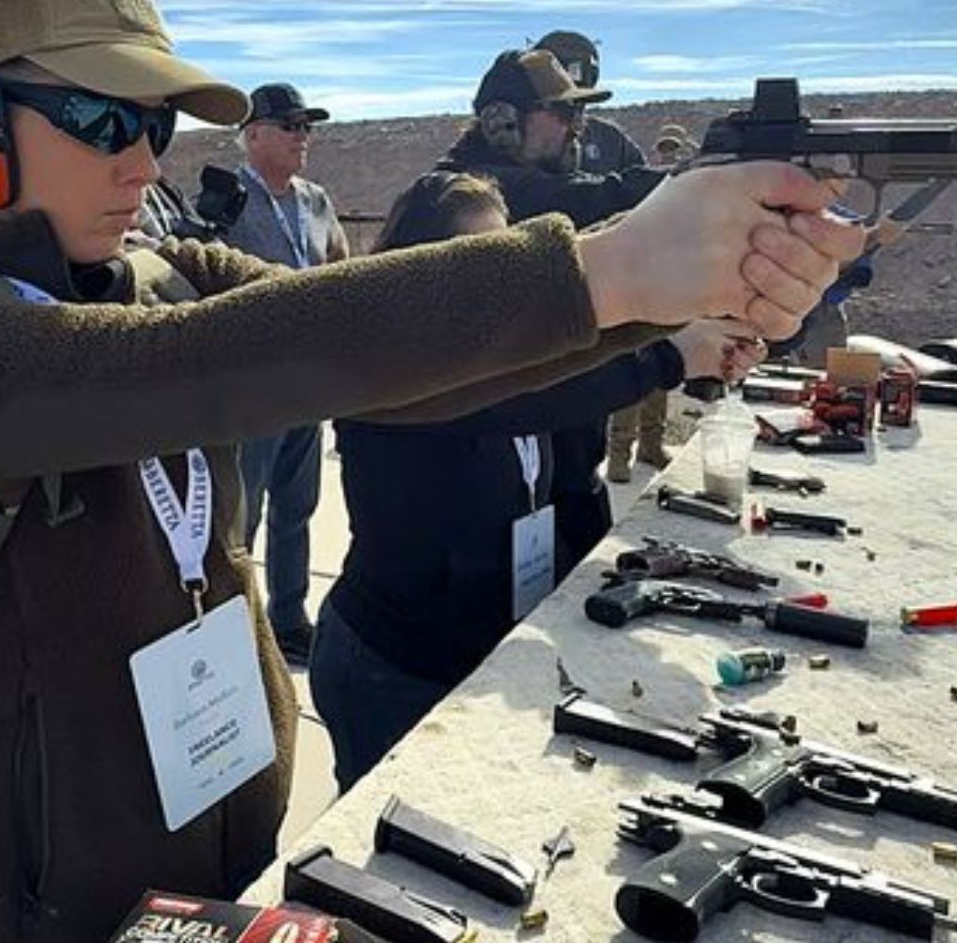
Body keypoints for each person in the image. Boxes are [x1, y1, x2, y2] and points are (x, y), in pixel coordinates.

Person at [0, 0, 861, 943]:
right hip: (6, 914)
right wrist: (609, 266)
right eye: (100, 116)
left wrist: (653, 300)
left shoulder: (153, 276)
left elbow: (388, 369)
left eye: (154, 122)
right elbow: (172, 373)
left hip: (208, 862)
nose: (140, 158)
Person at [312, 172, 767, 788]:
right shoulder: (395, 371)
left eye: (506, 266)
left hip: (482, 657)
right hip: (393, 668)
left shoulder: (514, 368)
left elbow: (573, 474)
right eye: (471, 266)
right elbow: (507, 403)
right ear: (417, 274)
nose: (495, 291)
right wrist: (667, 356)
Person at [440, 47, 673, 566]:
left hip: (563, 459)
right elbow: (593, 199)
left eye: (581, 113)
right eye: (564, 113)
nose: (579, 127)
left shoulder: (521, 187)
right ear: (502, 121)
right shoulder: (461, 195)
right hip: (505, 484)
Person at [219, 82, 349, 664]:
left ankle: (289, 617)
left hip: (308, 385)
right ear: (252, 135)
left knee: (298, 506)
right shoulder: (228, 201)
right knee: (242, 513)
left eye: (307, 126)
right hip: (252, 388)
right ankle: (235, 625)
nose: (303, 136)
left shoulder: (316, 199)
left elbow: (337, 265)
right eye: (290, 125)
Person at [604, 123, 695, 482]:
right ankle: (618, 455)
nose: (668, 156)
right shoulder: (643, 190)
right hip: (637, 295)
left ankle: (650, 445)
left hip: (671, 296)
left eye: (675, 150)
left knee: (660, 377)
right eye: (664, 149)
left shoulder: (686, 197)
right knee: (632, 379)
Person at [534, 29, 646, 174]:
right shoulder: (512, 141)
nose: (569, 119)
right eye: (557, 106)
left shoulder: (610, 140)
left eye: (577, 103)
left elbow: (645, 184)